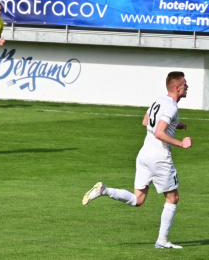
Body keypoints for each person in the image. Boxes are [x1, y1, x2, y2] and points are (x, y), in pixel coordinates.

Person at [82, 71, 193, 250]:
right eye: (185, 84)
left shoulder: (158, 100)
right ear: (177, 87)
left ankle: (104, 190)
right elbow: (159, 132)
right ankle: (162, 241)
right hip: (159, 158)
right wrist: (181, 143)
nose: (187, 87)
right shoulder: (171, 106)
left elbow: (145, 122)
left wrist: (174, 125)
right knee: (173, 198)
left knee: (138, 199)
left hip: (144, 155)